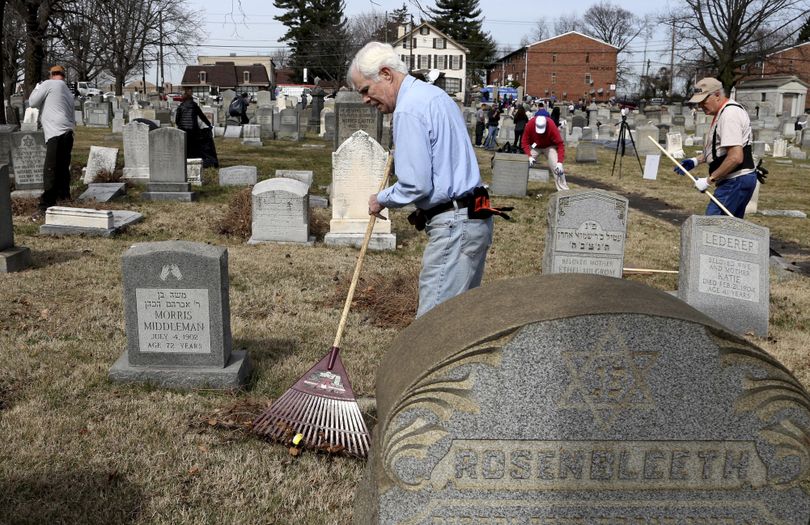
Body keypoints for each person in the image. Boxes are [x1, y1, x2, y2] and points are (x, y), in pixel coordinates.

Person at [349, 42, 494, 318]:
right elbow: (444, 167)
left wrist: (380, 199)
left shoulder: (408, 109)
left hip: (456, 226)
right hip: (474, 214)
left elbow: (416, 184)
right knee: (459, 321)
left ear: (386, 74)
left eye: (366, 90)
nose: (365, 100)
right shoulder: (435, 96)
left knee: (433, 327)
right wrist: (427, 208)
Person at [673, 77, 756, 218]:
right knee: (727, 228)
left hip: (735, 180)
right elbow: (719, 150)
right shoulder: (723, 112)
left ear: (717, 95)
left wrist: (708, 180)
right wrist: (695, 161)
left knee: (713, 226)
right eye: (698, 103)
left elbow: (735, 157)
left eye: (704, 101)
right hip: (733, 179)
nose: (701, 106)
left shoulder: (729, 115)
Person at [28, 64, 76, 212]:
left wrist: (37, 87)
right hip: (68, 131)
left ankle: (46, 204)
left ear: (51, 74)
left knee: (50, 168)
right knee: (63, 168)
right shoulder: (67, 90)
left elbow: (32, 102)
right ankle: (64, 198)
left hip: (56, 131)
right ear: (63, 75)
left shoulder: (49, 84)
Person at [522, 115, 569, 191]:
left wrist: (559, 162)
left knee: (556, 167)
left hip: (549, 146)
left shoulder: (551, 125)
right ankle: (519, 187)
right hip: (535, 146)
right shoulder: (530, 124)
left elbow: (560, 144)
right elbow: (524, 142)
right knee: (523, 163)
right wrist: (529, 156)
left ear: (546, 124)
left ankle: (563, 190)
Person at [174, 88, 212, 161]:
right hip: (193, 129)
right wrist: (209, 124)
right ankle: (194, 159)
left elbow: (177, 120)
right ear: (191, 99)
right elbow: (202, 116)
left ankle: (185, 159)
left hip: (183, 129)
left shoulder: (181, 106)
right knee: (194, 147)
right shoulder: (194, 105)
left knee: (185, 146)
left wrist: (180, 126)